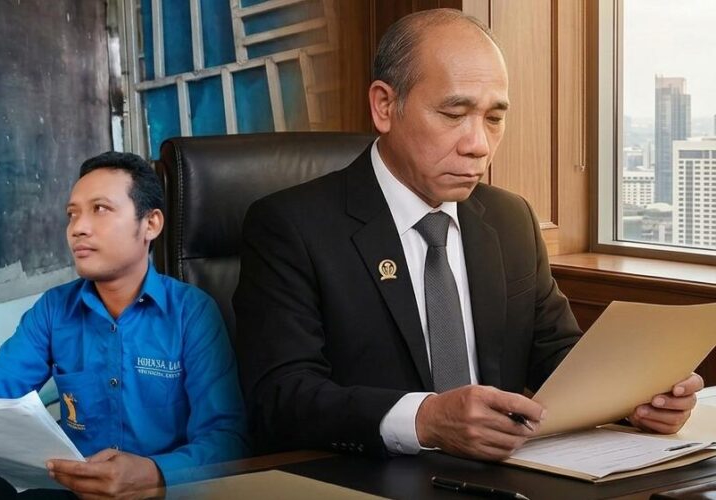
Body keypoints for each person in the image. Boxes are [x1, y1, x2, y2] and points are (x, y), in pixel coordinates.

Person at [233, 9, 701, 461]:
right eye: (454, 113)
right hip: (364, 478)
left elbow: (557, 356)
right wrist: (425, 420)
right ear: (384, 106)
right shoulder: (290, 226)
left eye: (494, 118)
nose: (478, 145)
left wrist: (637, 397)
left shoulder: (511, 219)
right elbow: (280, 397)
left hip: (508, 474)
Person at [0, 152, 248, 497]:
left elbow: (225, 437)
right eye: (72, 214)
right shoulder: (54, 309)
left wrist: (156, 475)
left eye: (100, 209)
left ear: (150, 224)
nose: (78, 228)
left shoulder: (191, 313)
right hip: (69, 489)